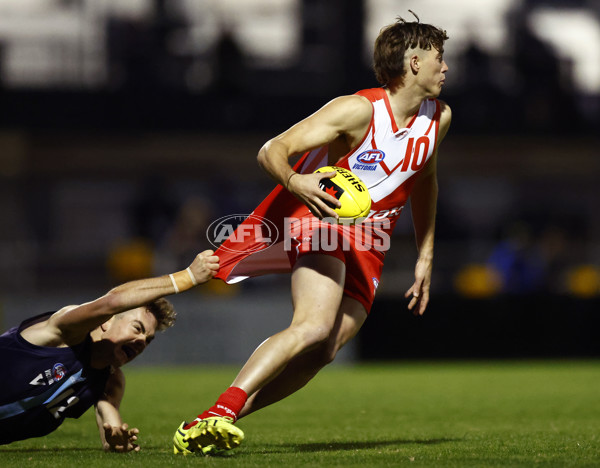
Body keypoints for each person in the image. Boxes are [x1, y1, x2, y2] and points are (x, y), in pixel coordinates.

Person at [173, 14, 451, 455]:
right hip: (322, 222)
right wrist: (297, 182)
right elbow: (272, 150)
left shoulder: (439, 117)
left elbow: (426, 179)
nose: (446, 67)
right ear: (413, 63)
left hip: (371, 243)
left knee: (325, 349)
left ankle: (210, 421)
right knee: (312, 326)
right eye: (439, 58)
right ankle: (219, 413)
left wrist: (426, 253)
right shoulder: (357, 110)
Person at [0, 250, 219, 452]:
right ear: (106, 321)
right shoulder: (65, 332)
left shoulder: (109, 380)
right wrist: (187, 277)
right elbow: (112, 301)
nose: (142, 341)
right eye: (137, 328)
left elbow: (111, 426)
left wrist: (116, 441)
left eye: (148, 340)